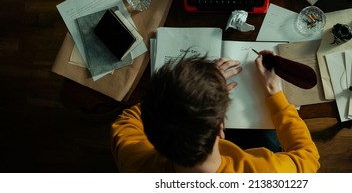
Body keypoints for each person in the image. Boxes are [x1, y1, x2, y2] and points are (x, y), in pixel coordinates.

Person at [110, 51, 320, 172]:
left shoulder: (134, 162)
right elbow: (308, 158)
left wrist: (182, 94)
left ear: (150, 133)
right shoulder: (264, 172)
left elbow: (126, 120)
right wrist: (276, 96)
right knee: (269, 138)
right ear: (221, 130)